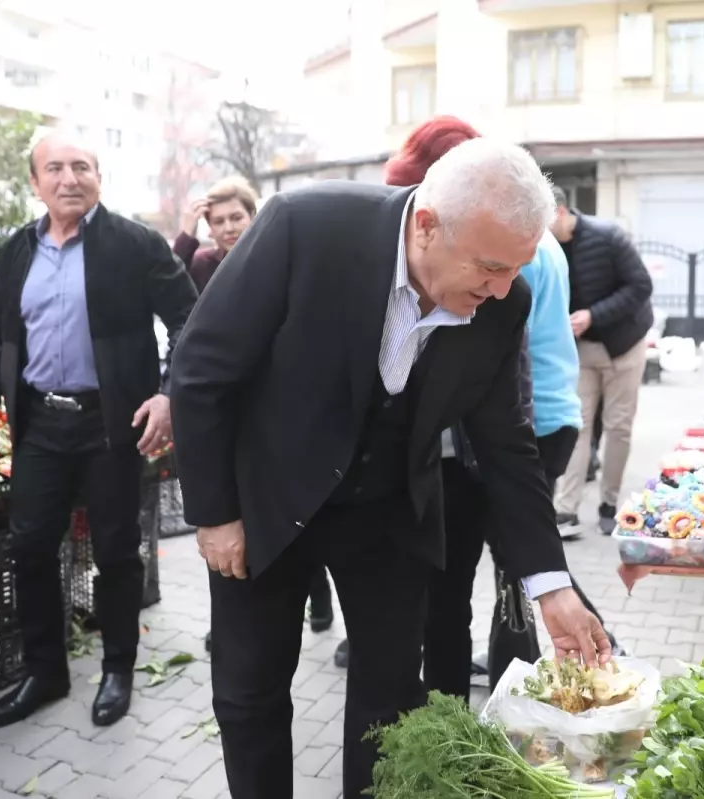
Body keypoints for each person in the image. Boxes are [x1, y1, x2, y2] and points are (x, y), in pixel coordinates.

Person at [169, 138, 610, 799]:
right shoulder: (303, 228)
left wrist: (553, 585)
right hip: (268, 496)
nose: (499, 290)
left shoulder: (503, 301)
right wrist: (215, 513)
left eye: (513, 271)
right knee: (250, 689)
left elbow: (507, 445)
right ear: (427, 225)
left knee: (392, 697)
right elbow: (200, 371)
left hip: (387, 508)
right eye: (489, 267)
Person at [0, 132, 197, 729]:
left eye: (81, 166)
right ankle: (45, 672)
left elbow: (190, 319)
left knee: (117, 551)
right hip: (40, 421)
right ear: (35, 183)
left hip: (112, 424)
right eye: (55, 168)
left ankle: (119, 667)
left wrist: (168, 395)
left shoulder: (135, 244)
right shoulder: (16, 251)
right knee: (30, 547)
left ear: (99, 176)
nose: (69, 178)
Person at [170, 178, 336, 647]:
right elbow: (166, 279)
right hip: (228, 410)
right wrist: (185, 231)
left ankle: (317, 594)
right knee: (240, 514)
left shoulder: (281, 261)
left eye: (236, 217)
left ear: (253, 215)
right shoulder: (204, 266)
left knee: (297, 515)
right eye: (217, 221)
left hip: (282, 409)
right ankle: (233, 616)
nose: (227, 228)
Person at [551, 192, 654, 537]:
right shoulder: (546, 250)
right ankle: (566, 510)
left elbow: (641, 285)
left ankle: (610, 505)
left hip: (624, 346)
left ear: (562, 211)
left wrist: (594, 315)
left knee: (618, 427)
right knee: (575, 425)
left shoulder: (607, 236)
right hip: (581, 351)